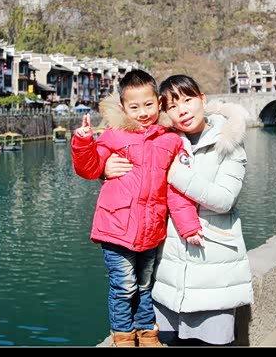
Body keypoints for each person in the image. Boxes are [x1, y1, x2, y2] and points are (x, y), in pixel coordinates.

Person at [104, 74, 253, 346]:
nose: (182, 110)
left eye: (188, 100)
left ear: (202, 99)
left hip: (212, 273)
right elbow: (136, 184)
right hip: (168, 276)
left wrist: (174, 174)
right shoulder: (161, 140)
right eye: (173, 105)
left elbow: (224, 200)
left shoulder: (228, 142)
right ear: (164, 109)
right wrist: (106, 170)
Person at [71, 70, 204, 347]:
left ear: (158, 102)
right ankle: (122, 335)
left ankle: (147, 332)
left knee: (145, 285)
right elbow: (89, 168)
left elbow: (176, 190)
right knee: (124, 285)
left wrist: (189, 225)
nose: (143, 113)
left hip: (150, 229)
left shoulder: (170, 139)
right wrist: (84, 142)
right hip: (115, 228)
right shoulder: (113, 136)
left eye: (148, 105)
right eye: (134, 107)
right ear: (123, 108)